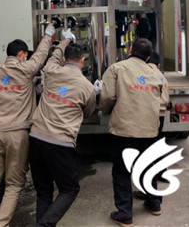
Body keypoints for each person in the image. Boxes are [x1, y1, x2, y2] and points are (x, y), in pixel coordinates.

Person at [0, 25, 54, 227]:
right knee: (14, 183)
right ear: (21, 54)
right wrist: (48, 34)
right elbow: (40, 56)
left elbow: (11, 88)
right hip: (17, 135)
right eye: (25, 56)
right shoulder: (25, 70)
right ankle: (2, 225)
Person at [29, 29, 97, 227]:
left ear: (64, 59)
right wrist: (94, 93)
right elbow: (89, 112)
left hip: (36, 138)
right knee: (69, 189)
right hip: (61, 144)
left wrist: (65, 40)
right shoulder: (86, 87)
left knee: (44, 191)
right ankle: (44, 225)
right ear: (82, 61)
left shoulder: (51, 70)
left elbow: (54, 56)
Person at [100, 38, 164, 227]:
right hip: (150, 130)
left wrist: (106, 111)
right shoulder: (156, 72)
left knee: (121, 171)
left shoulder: (116, 68)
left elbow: (107, 97)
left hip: (124, 130)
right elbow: (163, 100)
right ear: (149, 57)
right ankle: (154, 203)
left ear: (129, 50)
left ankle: (125, 214)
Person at [133, 50, 170, 201]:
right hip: (160, 116)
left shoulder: (145, 75)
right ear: (158, 64)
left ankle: (149, 192)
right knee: (156, 146)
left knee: (145, 154)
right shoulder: (161, 76)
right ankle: (162, 172)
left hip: (148, 116)